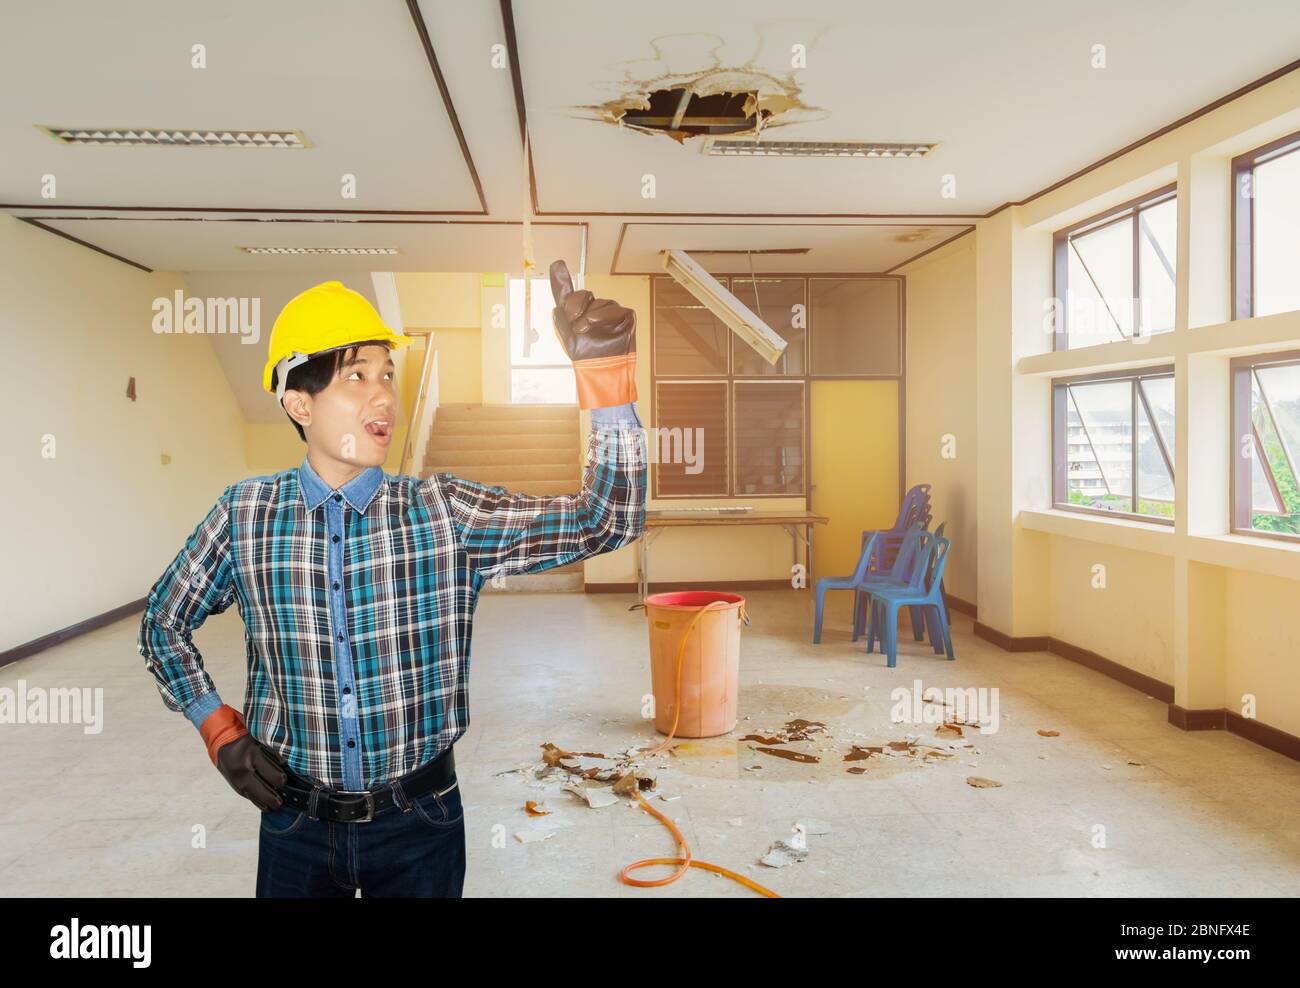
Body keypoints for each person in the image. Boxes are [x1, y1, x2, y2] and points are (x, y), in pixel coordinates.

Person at [138, 262, 646, 897]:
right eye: (356, 376)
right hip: (294, 823)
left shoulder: (444, 512)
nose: (384, 396)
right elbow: (162, 623)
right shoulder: (244, 515)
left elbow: (607, 522)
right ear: (299, 402)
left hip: (420, 823)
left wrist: (607, 381)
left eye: (387, 375)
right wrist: (218, 730)